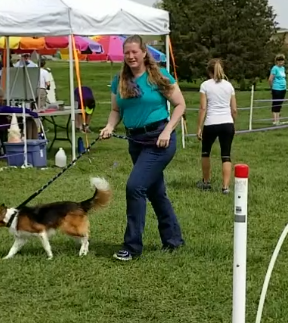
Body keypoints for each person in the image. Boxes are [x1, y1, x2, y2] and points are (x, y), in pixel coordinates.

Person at [99, 35, 186, 261]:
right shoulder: (119, 80)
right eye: (127, 53)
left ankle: (132, 247)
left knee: (135, 187)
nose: (130, 56)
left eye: (134, 52)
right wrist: (109, 126)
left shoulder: (158, 76)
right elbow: (116, 110)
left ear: (144, 52)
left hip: (159, 140)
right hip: (136, 142)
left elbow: (180, 104)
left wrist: (168, 130)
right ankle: (174, 241)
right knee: (156, 192)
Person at [196, 59, 237, 194]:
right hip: (227, 123)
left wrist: (199, 127)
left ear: (209, 71)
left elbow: (203, 108)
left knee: (205, 152)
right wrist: (233, 123)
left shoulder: (205, 85)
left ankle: (206, 182)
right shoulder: (229, 86)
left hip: (211, 123)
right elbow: (234, 109)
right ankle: (225, 187)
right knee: (226, 155)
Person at [269, 54, 287, 125]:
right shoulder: (274, 68)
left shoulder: (283, 68)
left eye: (282, 60)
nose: (281, 62)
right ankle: (274, 120)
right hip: (276, 88)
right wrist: (272, 88)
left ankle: (278, 119)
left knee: (280, 104)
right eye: (279, 61)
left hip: (283, 88)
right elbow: (270, 79)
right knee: (275, 104)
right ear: (276, 61)